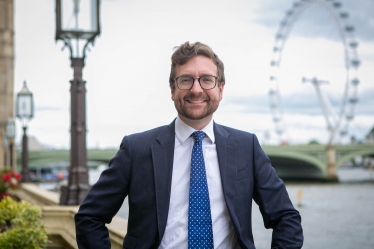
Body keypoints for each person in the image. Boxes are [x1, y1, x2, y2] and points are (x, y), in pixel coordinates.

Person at [75, 41, 303, 249]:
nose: (196, 89)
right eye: (185, 80)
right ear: (173, 90)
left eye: (206, 79)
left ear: (220, 89)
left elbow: (286, 218)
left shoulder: (246, 147)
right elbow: (90, 217)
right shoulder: (137, 148)